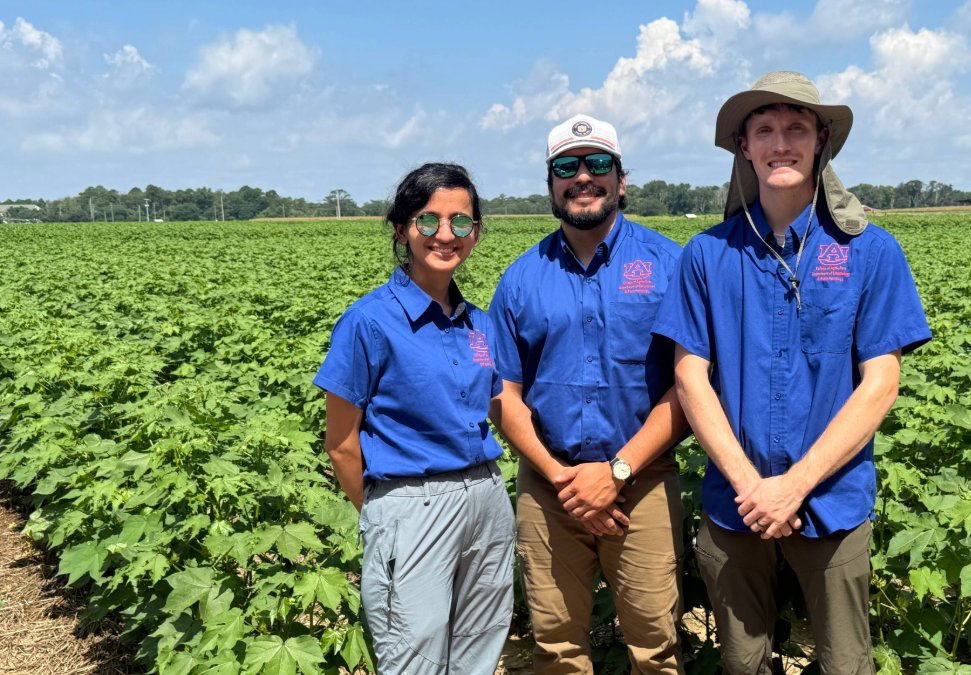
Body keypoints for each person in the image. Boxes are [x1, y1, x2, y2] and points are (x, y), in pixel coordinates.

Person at [652, 72, 933, 674]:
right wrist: (755, 488)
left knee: (843, 663)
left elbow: (881, 382)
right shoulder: (708, 255)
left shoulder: (870, 251)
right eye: (766, 130)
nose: (782, 143)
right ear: (744, 147)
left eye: (796, 128)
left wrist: (794, 484)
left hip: (832, 500)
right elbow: (690, 379)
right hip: (736, 505)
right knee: (743, 663)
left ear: (821, 141)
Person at [488, 114, 688, 674]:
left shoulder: (671, 265)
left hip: (643, 481)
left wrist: (617, 472)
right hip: (550, 488)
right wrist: (564, 480)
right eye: (567, 167)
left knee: (656, 645)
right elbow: (503, 392)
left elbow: (690, 385)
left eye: (598, 164)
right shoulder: (521, 279)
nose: (583, 177)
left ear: (621, 180)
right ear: (550, 183)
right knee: (555, 647)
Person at [315, 163, 513, 675]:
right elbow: (340, 443)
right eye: (429, 221)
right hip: (411, 502)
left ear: (475, 233)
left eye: (461, 223)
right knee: (414, 657)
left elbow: (502, 406)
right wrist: (388, 511)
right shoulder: (369, 322)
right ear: (402, 229)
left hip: (487, 498)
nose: (445, 235)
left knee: (479, 648)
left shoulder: (480, 324)